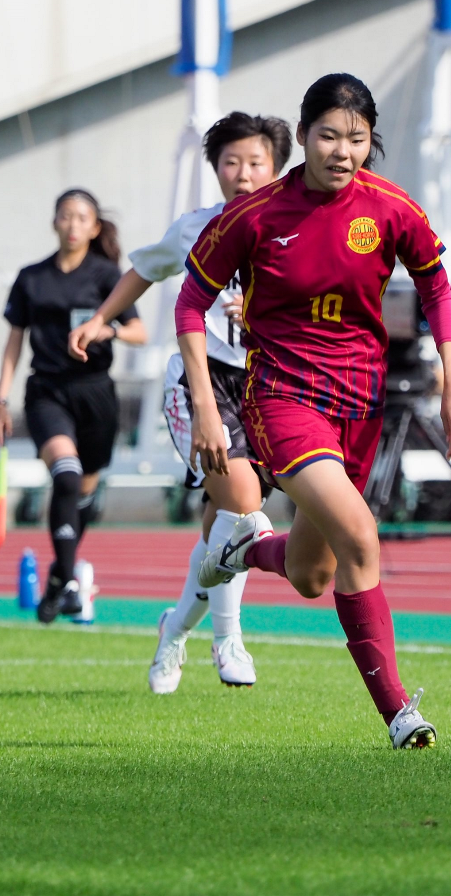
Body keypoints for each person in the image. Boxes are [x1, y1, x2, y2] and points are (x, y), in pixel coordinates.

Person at [179, 73, 451, 748]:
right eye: (329, 136)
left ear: (371, 143)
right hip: (282, 398)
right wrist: (203, 403)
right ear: (304, 135)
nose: (343, 151)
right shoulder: (255, 216)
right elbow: (188, 303)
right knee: (361, 539)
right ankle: (400, 711)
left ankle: (245, 545)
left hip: (358, 404)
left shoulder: (390, 208)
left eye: (358, 139)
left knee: (314, 575)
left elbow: (435, 282)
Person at [69, 111, 293, 691]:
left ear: (277, 167)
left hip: (267, 386)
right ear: (215, 168)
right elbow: (143, 271)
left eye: (256, 163)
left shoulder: (295, 231)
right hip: (201, 383)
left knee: (221, 530)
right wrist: (99, 319)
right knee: (244, 507)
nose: (243, 174)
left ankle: (173, 632)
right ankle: (229, 640)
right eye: (232, 163)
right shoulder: (196, 228)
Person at [0, 189, 146, 623]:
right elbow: (12, 343)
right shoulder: (31, 278)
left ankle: (60, 577)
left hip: (96, 393)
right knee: (66, 474)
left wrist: (107, 332)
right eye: (66, 216)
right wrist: (0, 399)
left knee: (82, 495)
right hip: (47, 391)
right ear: (55, 222)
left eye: (83, 218)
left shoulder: (106, 275)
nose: (73, 224)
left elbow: (139, 331)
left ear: (95, 227)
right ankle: (68, 580)